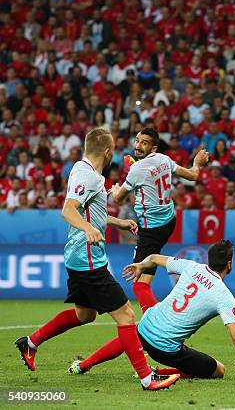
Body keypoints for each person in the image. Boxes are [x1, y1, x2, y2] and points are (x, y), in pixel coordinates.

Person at [14, 128, 179, 391]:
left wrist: (117, 223)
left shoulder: (87, 173)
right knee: (126, 315)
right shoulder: (87, 176)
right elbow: (68, 211)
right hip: (89, 260)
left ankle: (30, 342)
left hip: (79, 258)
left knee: (85, 314)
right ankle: (147, 378)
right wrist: (88, 229)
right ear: (107, 151)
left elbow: (92, 212)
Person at [67, 241, 235, 384]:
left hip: (145, 327)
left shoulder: (192, 267)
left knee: (130, 335)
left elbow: (153, 257)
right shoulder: (224, 296)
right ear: (229, 264)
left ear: (209, 259)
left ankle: (84, 365)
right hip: (165, 349)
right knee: (218, 370)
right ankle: (157, 373)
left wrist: (141, 266)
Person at [109, 127, 209, 309]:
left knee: (139, 283)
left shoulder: (137, 169)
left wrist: (116, 189)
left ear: (153, 148)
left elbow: (118, 198)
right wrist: (197, 163)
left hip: (151, 230)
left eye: (144, 143)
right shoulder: (164, 159)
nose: (138, 146)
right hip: (169, 221)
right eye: (137, 141)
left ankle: (157, 324)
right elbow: (193, 175)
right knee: (145, 273)